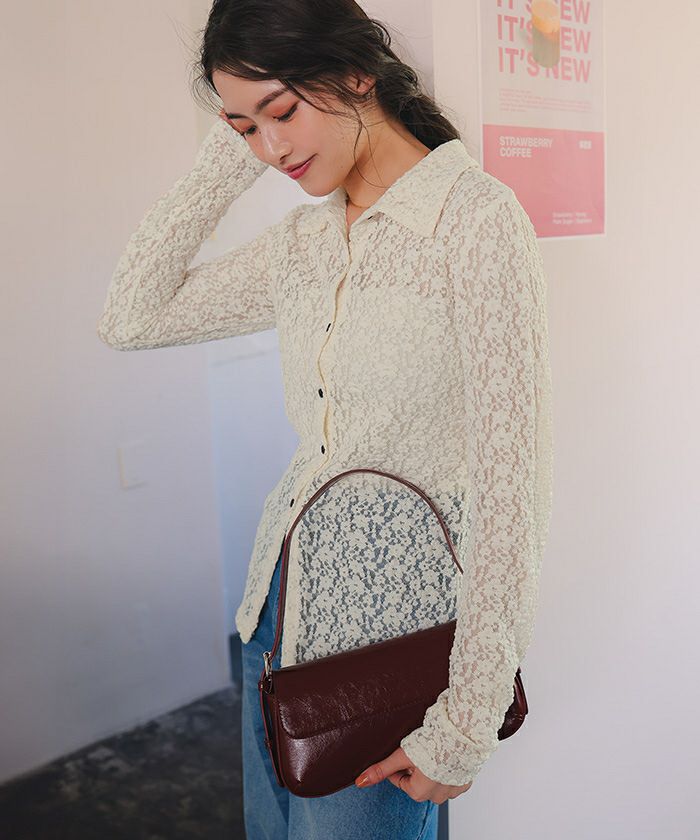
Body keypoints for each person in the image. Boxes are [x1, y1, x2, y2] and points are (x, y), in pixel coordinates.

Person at [97, 0, 554, 837]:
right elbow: (132, 317)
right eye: (245, 129)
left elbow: (510, 487)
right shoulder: (304, 243)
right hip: (274, 621)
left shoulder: (476, 223)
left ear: (356, 74)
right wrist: (228, 151)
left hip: (389, 660)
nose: (270, 150)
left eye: (281, 111)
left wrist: (468, 719)